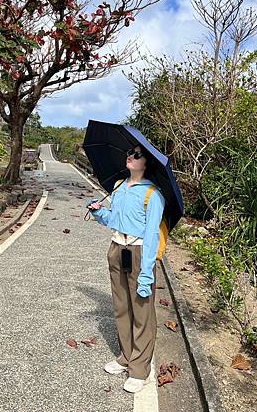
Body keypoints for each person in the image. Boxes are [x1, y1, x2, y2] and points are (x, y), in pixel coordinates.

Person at [87, 145, 165, 394]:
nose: (130, 156)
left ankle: (141, 369)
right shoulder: (119, 187)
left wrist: (146, 273)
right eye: (130, 153)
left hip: (139, 252)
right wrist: (100, 213)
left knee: (142, 312)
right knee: (121, 307)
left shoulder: (153, 194)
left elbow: (152, 235)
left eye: (137, 155)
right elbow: (115, 220)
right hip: (116, 248)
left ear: (147, 162)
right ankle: (126, 356)